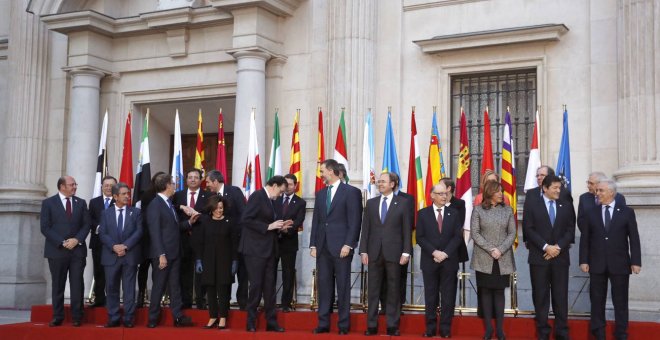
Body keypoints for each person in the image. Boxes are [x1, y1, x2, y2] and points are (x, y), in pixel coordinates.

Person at [579, 179, 641, 340]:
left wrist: (636, 261)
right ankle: (598, 333)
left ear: (611, 193)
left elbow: (634, 238)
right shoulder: (591, 212)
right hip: (596, 263)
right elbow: (585, 239)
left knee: (620, 302)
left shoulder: (627, 212)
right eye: (597, 190)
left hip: (620, 263)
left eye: (601, 190)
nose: (597, 193)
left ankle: (621, 334)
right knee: (597, 301)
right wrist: (583, 260)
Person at [310, 159, 363, 335]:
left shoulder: (351, 192)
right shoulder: (320, 194)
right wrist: (313, 244)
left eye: (323, 170)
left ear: (331, 171)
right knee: (323, 287)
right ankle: (323, 323)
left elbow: (355, 221)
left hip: (342, 247)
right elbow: (317, 221)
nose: (321, 174)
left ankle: (343, 325)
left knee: (342, 286)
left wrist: (349, 243)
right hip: (323, 247)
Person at [523, 175, 575, 340]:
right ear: (545, 188)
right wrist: (546, 247)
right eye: (555, 188)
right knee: (540, 296)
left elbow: (570, 230)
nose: (558, 191)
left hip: (560, 258)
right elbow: (528, 229)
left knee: (561, 297)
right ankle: (543, 333)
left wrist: (557, 247)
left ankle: (562, 333)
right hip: (539, 258)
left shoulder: (566, 205)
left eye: (559, 188)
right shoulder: (532, 205)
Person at [359, 172, 412, 336]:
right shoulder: (371, 203)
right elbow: (365, 229)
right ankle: (372, 326)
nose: (379, 184)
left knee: (394, 290)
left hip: (394, 253)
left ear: (393, 184)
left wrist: (406, 252)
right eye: (379, 182)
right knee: (373, 291)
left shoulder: (403, 204)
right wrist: (363, 250)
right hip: (374, 253)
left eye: (383, 181)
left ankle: (392, 326)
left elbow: (406, 230)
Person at [146, 173, 199, 328]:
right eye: (173, 183)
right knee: (159, 286)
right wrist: (161, 254)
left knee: (175, 286)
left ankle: (178, 316)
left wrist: (189, 222)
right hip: (163, 255)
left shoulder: (168, 204)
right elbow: (154, 232)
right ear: (167, 185)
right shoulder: (155, 205)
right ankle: (152, 319)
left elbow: (173, 228)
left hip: (174, 253)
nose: (175, 186)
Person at [40, 176, 91, 327]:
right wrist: (62, 242)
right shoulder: (48, 203)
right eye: (71, 184)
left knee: (77, 284)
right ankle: (57, 316)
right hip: (57, 251)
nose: (75, 187)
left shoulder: (80, 203)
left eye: (75, 184)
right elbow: (45, 227)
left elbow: (86, 224)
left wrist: (77, 239)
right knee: (58, 284)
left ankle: (77, 316)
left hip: (77, 251)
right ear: (62, 186)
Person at [240, 175, 288, 332]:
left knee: (269, 287)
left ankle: (271, 322)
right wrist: (268, 226)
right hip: (254, 250)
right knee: (255, 286)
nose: (280, 195)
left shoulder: (272, 201)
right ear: (274, 185)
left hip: (269, 249)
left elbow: (270, 222)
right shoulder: (257, 196)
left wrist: (280, 226)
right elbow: (246, 219)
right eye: (280, 191)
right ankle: (251, 322)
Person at [471, 181, 516, 340]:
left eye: (501, 191)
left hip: (502, 258)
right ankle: (489, 329)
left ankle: (500, 330)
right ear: (490, 193)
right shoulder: (478, 210)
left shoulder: (508, 210)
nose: (501, 194)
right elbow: (475, 234)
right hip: (484, 258)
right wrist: (491, 249)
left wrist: (500, 250)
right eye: (498, 191)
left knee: (499, 292)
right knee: (486, 292)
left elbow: (512, 233)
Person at [417, 181, 463, 338]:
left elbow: (458, 237)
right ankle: (430, 329)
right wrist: (434, 252)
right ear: (432, 195)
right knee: (431, 296)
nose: (444, 196)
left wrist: (445, 254)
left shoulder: (454, 213)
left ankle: (445, 330)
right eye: (441, 194)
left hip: (449, 261)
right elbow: (420, 238)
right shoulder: (423, 213)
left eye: (446, 194)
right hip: (430, 261)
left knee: (448, 297)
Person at [98, 182, 143, 328]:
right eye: (123, 194)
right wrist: (114, 246)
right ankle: (114, 317)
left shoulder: (135, 212)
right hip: (111, 257)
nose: (127, 196)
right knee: (111, 288)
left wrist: (125, 246)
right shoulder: (105, 213)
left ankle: (129, 318)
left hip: (129, 256)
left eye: (128, 193)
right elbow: (102, 233)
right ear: (115, 196)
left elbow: (139, 232)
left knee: (129, 289)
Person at [194, 195, 239, 329]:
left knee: (223, 291)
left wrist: (235, 260)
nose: (220, 210)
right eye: (217, 208)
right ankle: (213, 316)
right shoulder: (205, 222)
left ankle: (223, 317)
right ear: (211, 208)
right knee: (211, 291)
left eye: (221, 208)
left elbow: (234, 243)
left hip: (225, 261)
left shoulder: (230, 222)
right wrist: (198, 260)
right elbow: (200, 242)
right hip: (208, 261)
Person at [205, 169, 248, 310]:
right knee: (224, 272)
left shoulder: (234, 191)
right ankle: (225, 303)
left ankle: (243, 302)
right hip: (220, 242)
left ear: (216, 181)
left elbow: (244, 213)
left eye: (208, 182)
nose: (207, 185)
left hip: (237, 238)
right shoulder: (211, 196)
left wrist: (236, 232)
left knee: (241, 271)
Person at [172, 168, 210, 309]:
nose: (193, 179)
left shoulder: (208, 195)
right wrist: (181, 207)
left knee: (201, 272)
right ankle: (185, 300)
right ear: (186, 180)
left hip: (201, 239)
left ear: (201, 180)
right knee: (184, 271)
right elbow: (171, 211)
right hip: (183, 239)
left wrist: (197, 215)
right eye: (190, 177)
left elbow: (211, 216)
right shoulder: (178, 195)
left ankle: (201, 300)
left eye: (196, 177)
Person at [272, 174, 307, 312]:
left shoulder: (300, 202)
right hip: (273, 240)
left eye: (290, 184)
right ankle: (270, 302)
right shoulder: (275, 199)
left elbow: (299, 221)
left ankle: (286, 303)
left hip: (289, 242)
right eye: (285, 184)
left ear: (295, 186)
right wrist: (280, 227)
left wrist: (287, 230)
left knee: (288, 273)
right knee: (271, 272)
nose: (287, 187)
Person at [136, 171, 165, 308]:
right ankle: (142, 295)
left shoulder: (167, 196)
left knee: (156, 269)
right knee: (144, 268)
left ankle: (155, 296)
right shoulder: (147, 195)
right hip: (147, 238)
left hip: (156, 239)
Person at [88, 175, 117, 308]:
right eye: (106, 185)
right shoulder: (94, 202)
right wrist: (99, 227)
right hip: (98, 243)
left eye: (111, 186)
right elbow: (90, 219)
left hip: (114, 243)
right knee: (98, 271)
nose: (108, 188)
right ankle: (99, 298)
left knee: (112, 273)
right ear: (102, 187)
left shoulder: (119, 201)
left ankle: (112, 299)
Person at [440, 177, 469, 263]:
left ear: (448, 188)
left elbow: (459, 223)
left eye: (441, 185)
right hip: (439, 245)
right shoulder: (437, 202)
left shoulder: (460, 203)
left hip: (454, 245)